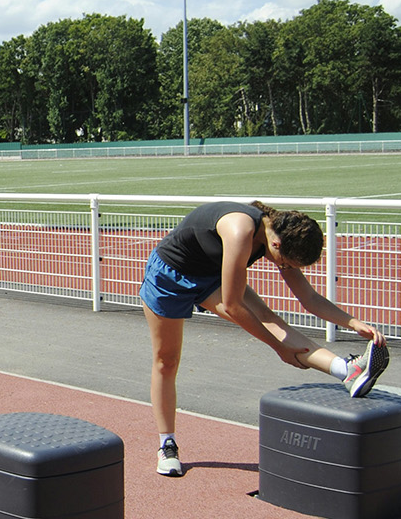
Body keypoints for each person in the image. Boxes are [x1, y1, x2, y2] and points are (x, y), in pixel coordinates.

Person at [140, 200, 388, 477]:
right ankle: (167, 443)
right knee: (166, 360)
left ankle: (347, 370)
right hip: (169, 276)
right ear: (278, 245)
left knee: (272, 321)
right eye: (284, 264)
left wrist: (352, 322)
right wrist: (278, 348)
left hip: (211, 275)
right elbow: (234, 306)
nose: (282, 267)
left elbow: (309, 298)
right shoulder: (239, 231)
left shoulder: (279, 238)